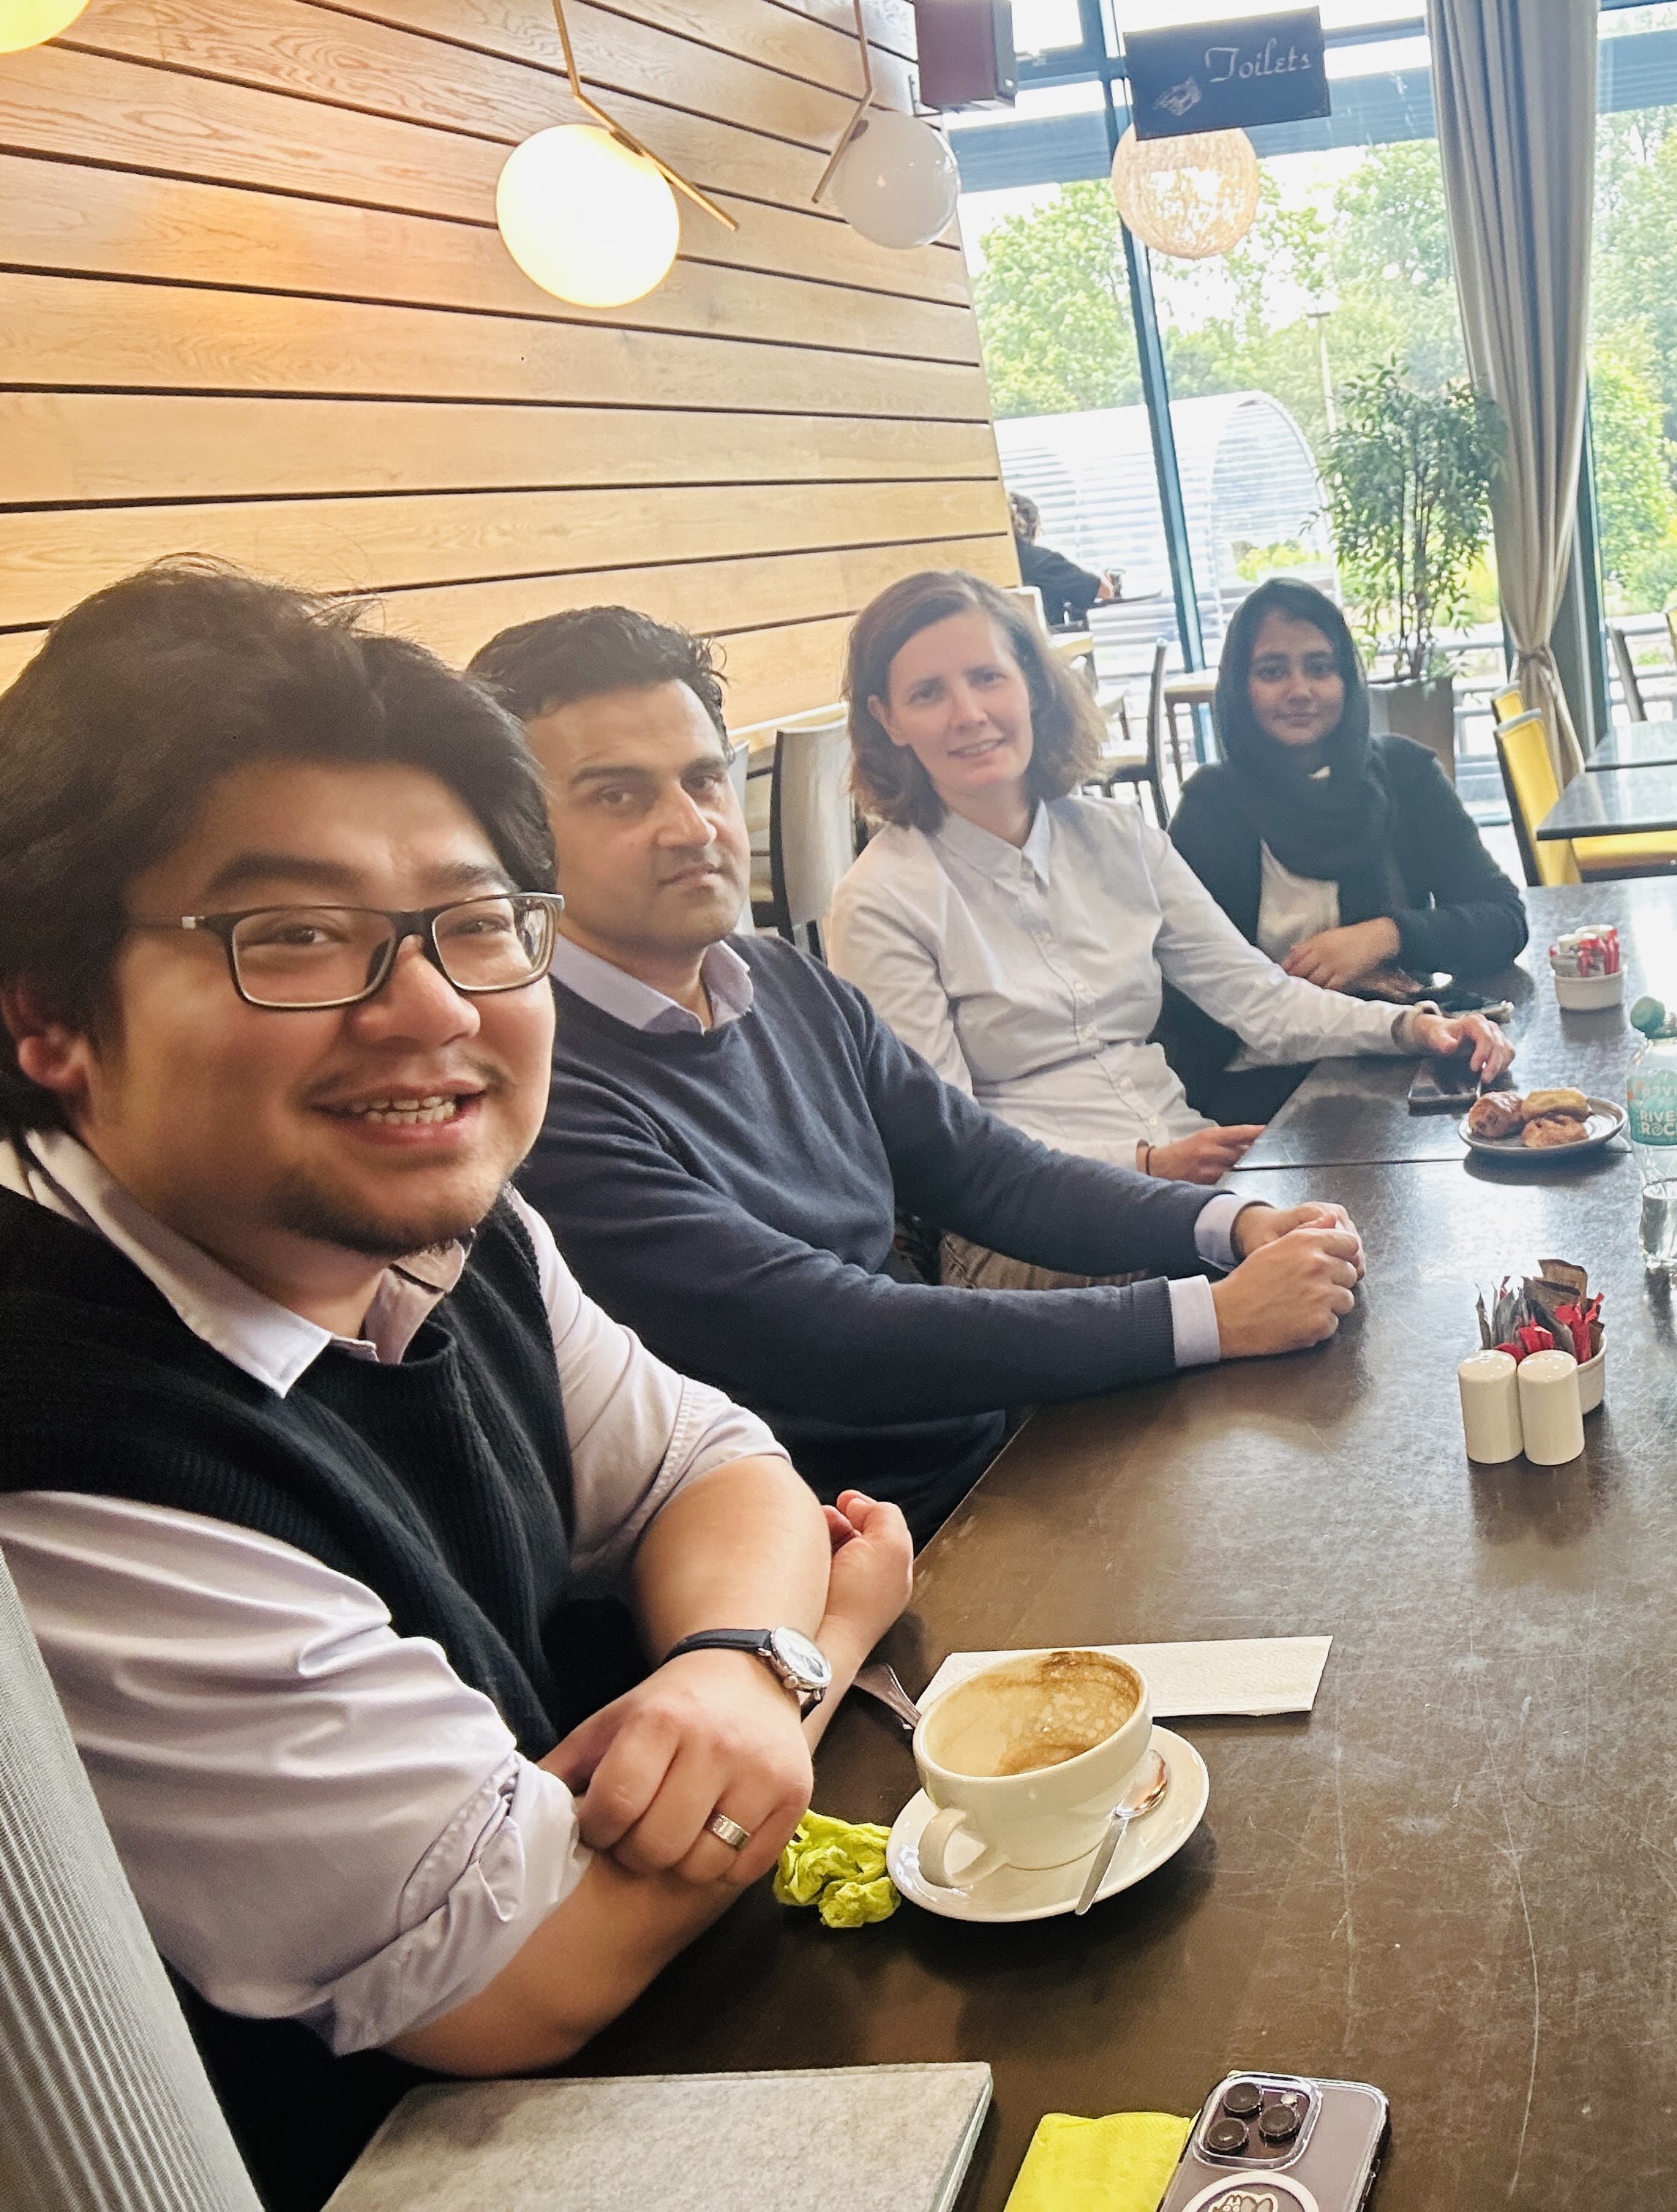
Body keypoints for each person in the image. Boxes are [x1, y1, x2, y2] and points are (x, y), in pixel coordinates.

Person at [0, 563, 917, 2211]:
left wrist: (726, 1661)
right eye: (293, 935)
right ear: (49, 1016)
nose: (430, 1009)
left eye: (480, 925)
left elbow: (708, 1465)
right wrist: (817, 1649)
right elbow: (520, 1972)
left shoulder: (441, 1222)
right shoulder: (64, 1453)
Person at [474, 606, 1373, 1543]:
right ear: (516, 837)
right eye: (617, 796)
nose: (691, 826)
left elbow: (989, 1170)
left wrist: (1235, 1224)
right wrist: (1215, 1317)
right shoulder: (539, 1088)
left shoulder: (782, 981)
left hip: (993, 1453)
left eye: (704, 779)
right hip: (850, 1545)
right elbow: (832, 1337)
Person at [822, 570, 1509, 1202]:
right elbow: (949, 1145)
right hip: (1038, 1214)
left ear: (1030, 684)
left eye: (986, 677)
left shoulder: (1119, 838)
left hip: (1195, 1168)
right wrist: (1145, 1166)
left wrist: (1415, 1027)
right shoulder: (882, 901)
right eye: (927, 693)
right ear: (887, 720)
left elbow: (1259, 999)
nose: (968, 713)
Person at [1159, 579, 1526, 1124]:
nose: (1299, 689)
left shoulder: (1406, 776)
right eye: (1272, 671)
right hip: (1255, 1087)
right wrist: (1300, 985)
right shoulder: (1211, 809)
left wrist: (1386, 936)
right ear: (1240, 687)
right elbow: (1187, 989)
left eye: (1320, 666)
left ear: (1348, 679)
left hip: (1400, 1061)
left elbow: (1504, 921)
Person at [1008, 492, 1114, 631]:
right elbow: (1105, 591)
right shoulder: (1043, 561)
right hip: (1044, 646)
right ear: (1034, 528)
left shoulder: (990, 562)